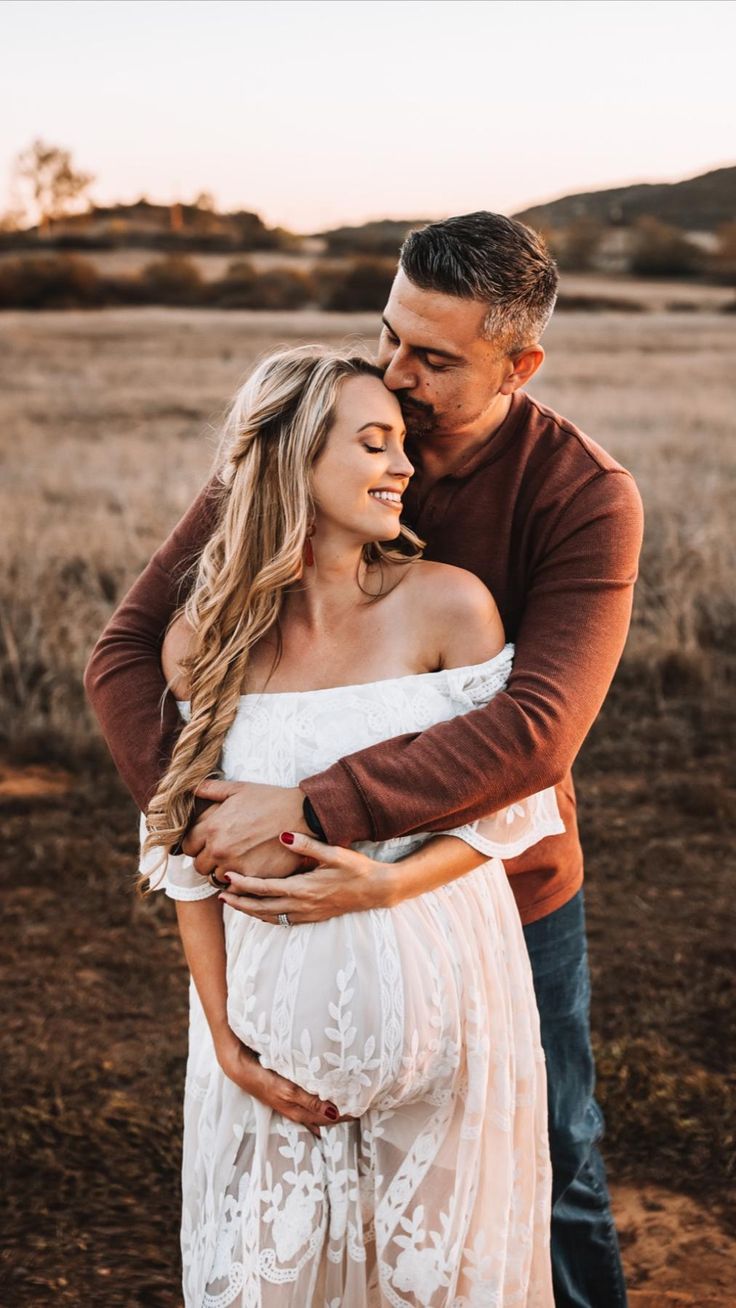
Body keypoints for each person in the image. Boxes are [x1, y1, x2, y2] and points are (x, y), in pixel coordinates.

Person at [85, 212, 643, 1308]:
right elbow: (124, 657)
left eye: (434, 360)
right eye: (391, 335)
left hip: (492, 891)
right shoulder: (306, 443)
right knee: (297, 1195)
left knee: (556, 1160)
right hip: (278, 914)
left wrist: (305, 811)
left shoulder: (581, 495)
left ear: (518, 365)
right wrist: (206, 820)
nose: (397, 374)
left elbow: (537, 729)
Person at [137, 346, 559, 1305]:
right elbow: (186, 860)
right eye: (376, 443)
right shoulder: (205, 636)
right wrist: (225, 1042)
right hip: (265, 1064)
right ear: (292, 457)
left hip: (455, 1031)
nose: (404, 466)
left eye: (403, 443)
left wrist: (384, 883)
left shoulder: (447, 606)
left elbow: (504, 811)